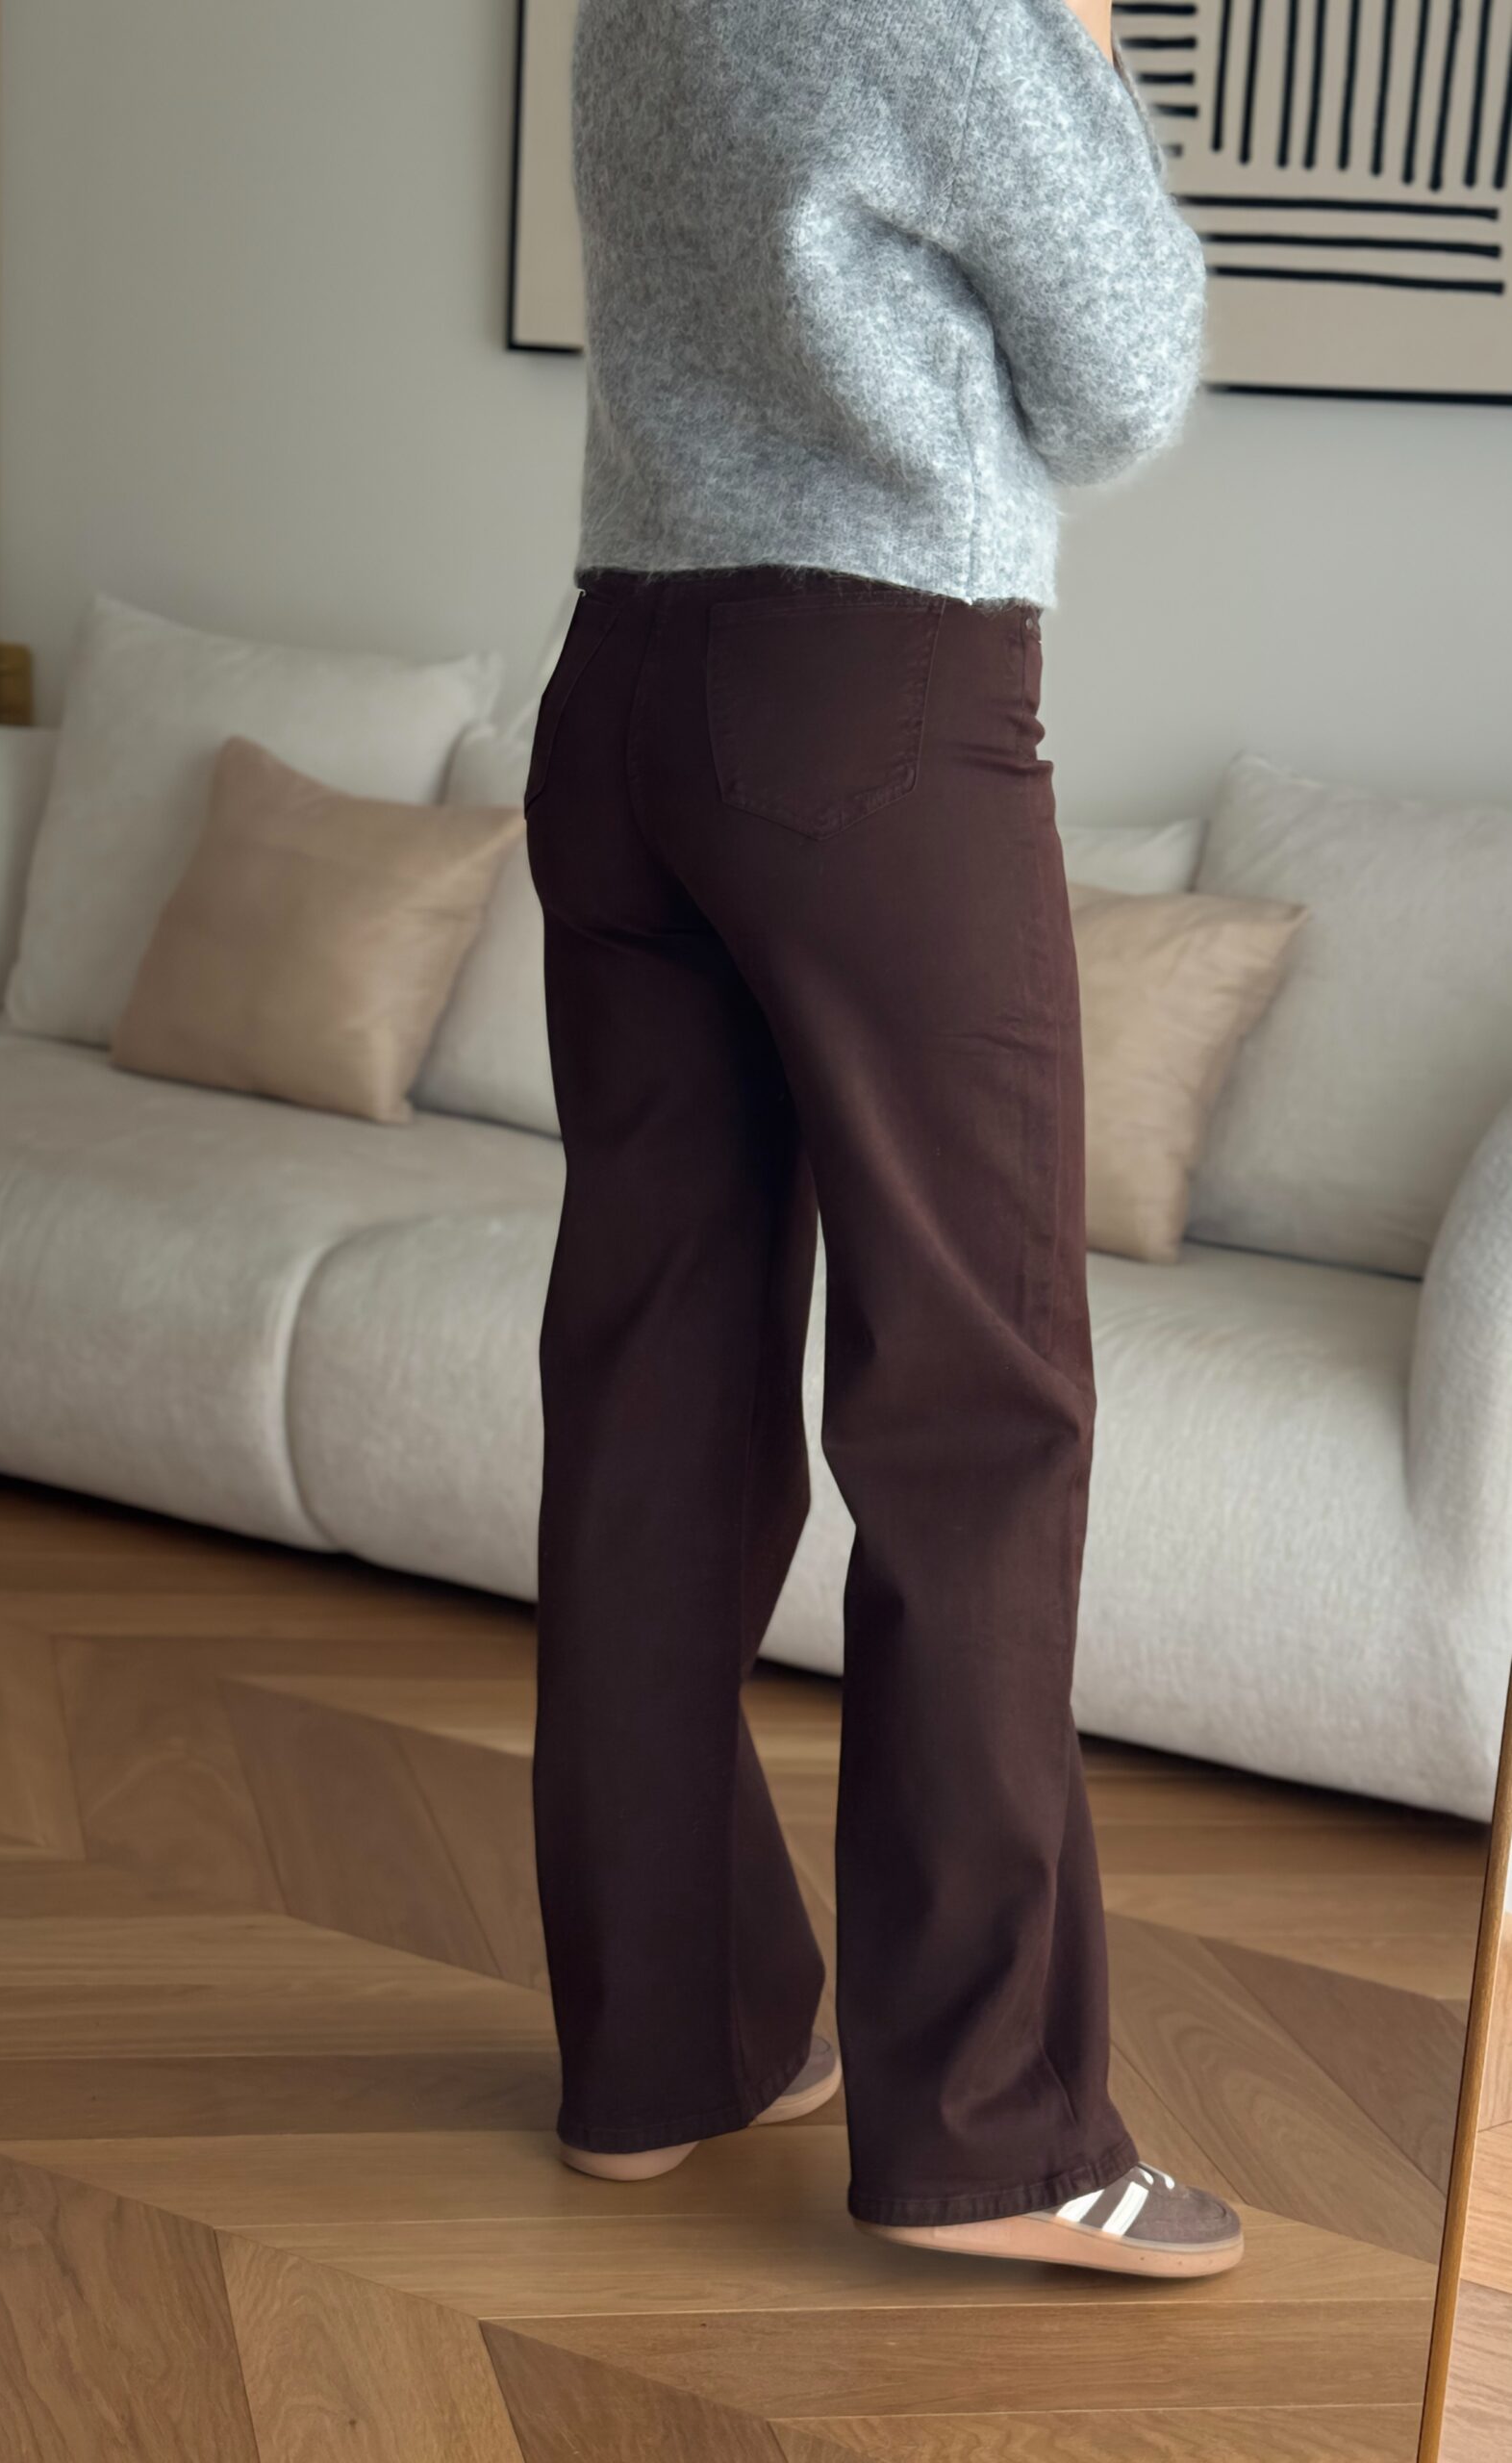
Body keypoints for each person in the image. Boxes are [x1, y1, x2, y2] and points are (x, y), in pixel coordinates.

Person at [521, 0, 1243, 2278]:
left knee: (650, 1392)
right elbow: (1123, 370)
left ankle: (668, 2045)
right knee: (974, 1406)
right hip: (875, 696)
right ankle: (997, 2129)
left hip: (620, 684)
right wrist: (1079, 44)